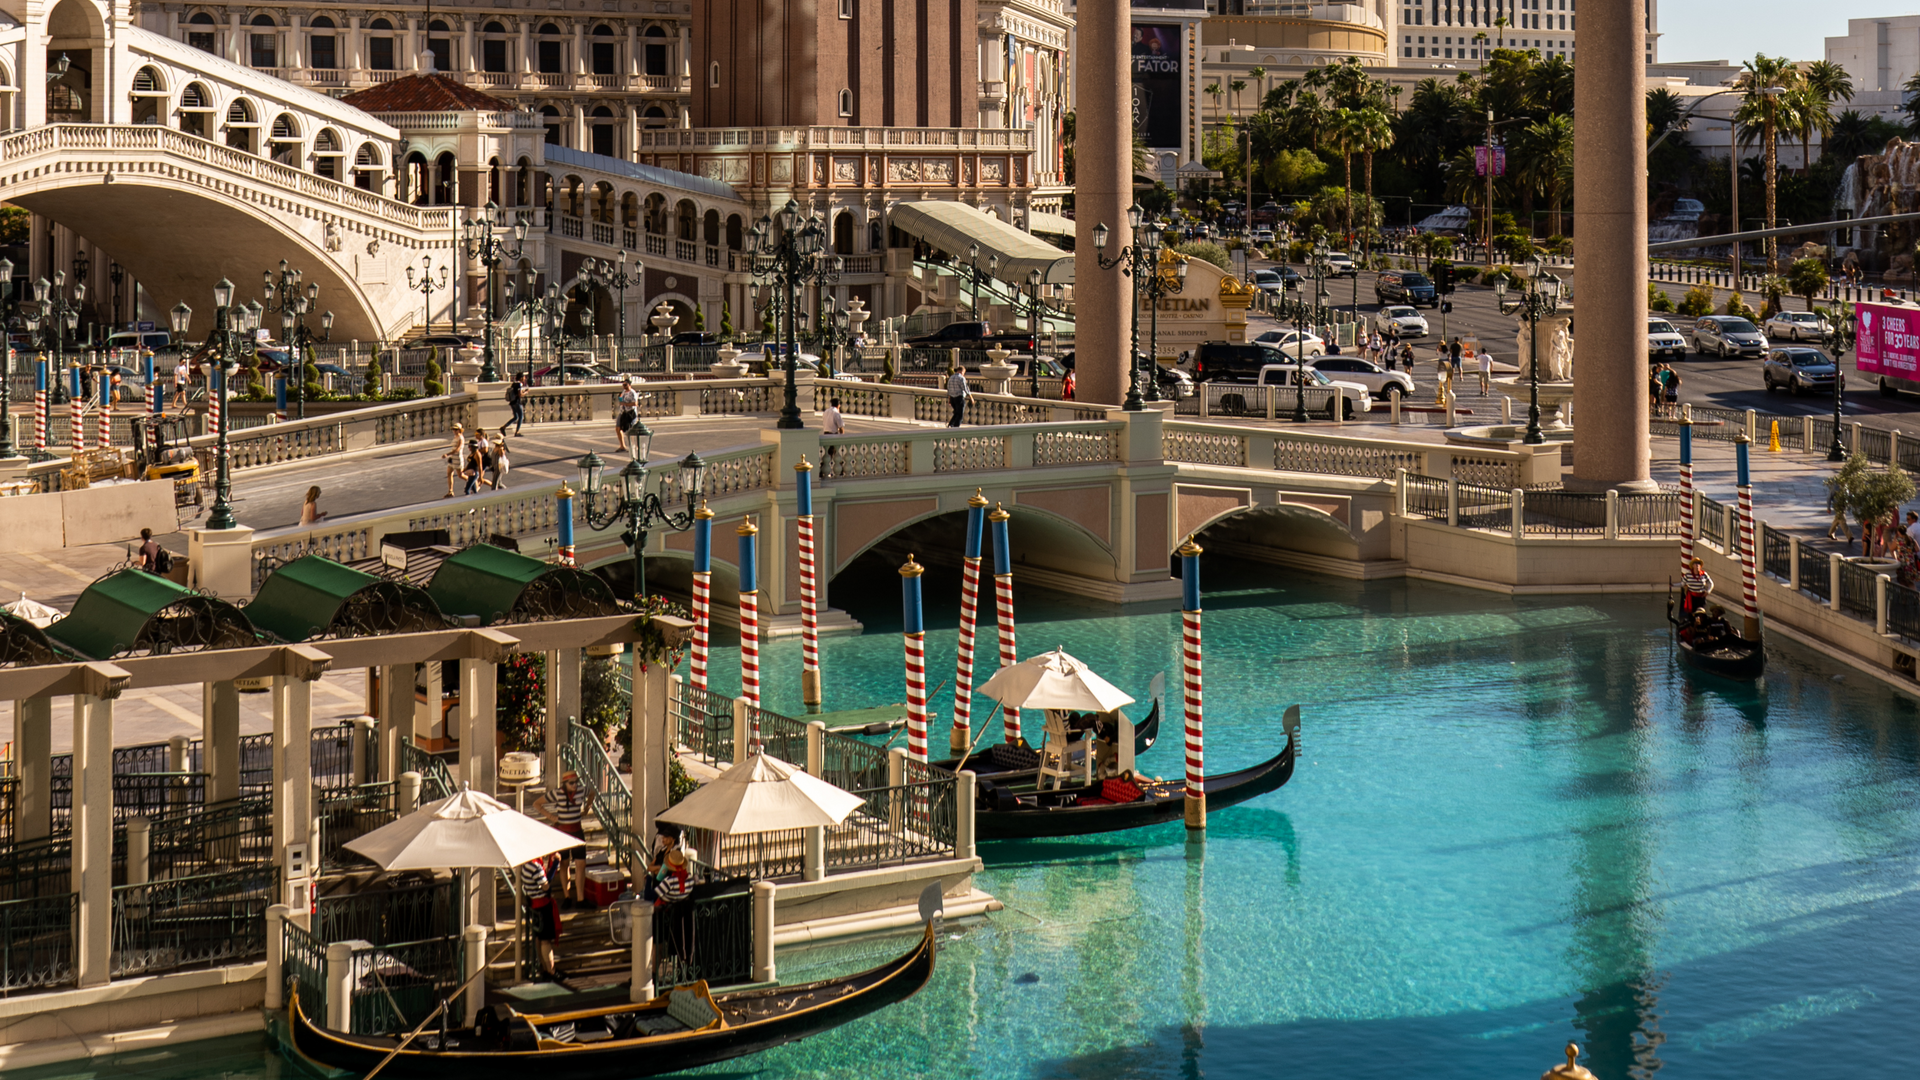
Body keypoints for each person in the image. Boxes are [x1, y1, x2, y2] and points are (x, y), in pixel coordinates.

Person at [539, 771, 593, 905]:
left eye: (576, 782)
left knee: (581, 864)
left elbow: (592, 792)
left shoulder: (581, 790)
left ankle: (580, 898)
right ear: (565, 784)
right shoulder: (557, 793)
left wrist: (587, 807)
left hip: (577, 830)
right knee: (564, 863)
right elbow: (537, 803)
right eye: (571, 783)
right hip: (563, 832)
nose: (575, 785)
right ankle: (567, 896)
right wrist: (551, 817)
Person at [519, 854, 559, 978]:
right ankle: (551, 971)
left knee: (539, 938)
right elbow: (546, 886)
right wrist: (556, 864)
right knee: (545, 940)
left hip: (534, 905)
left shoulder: (526, 864)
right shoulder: (535, 866)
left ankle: (544, 966)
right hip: (542, 906)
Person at [443, 423, 466, 498]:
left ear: (459, 430)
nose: (454, 431)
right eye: (453, 429)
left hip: (457, 458)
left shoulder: (461, 438)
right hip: (453, 458)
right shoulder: (455, 437)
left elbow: (457, 449)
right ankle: (450, 491)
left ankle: (473, 482)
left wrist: (447, 454)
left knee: (460, 475)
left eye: (455, 429)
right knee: (449, 473)